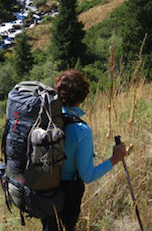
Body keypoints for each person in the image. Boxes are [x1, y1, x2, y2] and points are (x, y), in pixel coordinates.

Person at [41, 70, 127, 231]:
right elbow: (88, 176)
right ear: (83, 96)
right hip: (68, 195)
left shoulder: (49, 118)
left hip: (45, 189)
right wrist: (115, 158)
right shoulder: (81, 130)